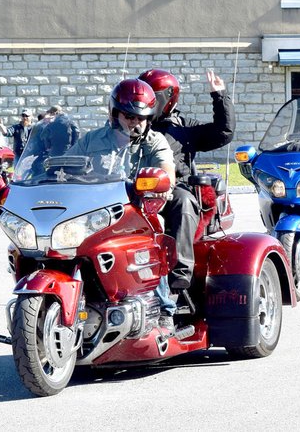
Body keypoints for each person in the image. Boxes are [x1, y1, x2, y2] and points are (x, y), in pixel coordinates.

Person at [66, 79, 177, 331]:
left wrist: (161, 183)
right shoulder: (91, 141)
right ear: (114, 113)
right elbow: (64, 166)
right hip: (92, 212)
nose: (135, 122)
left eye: (141, 117)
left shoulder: (156, 142)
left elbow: (166, 172)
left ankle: (164, 309)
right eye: (128, 116)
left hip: (135, 211)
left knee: (150, 239)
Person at [137, 68, 234, 311]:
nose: (147, 101)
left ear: (167, 98)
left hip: (172, 188)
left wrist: (219, 96)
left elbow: (223, 132)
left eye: (153, 96)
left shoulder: (184, 128)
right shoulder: (129, 123)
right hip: (133, 187)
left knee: (183, 201)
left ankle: (179, 274)